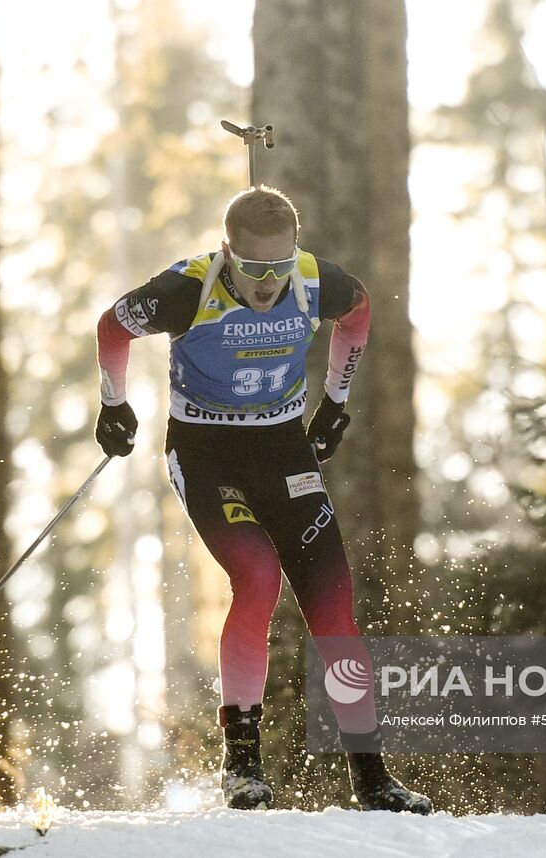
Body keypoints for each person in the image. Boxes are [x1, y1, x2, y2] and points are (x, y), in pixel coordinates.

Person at [94, 185, 431, 814]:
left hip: (281, 449)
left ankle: (372, 778)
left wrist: (335, 400)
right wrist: (114, 404)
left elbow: (357, 316)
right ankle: (242, 764)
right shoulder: (186, 289)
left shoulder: (315, 280)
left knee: (333, 604)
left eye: (279, 266)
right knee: (256, 578)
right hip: (204, 449)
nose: (268, 284)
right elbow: (113, 327)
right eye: (253, 269)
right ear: (228, 253)